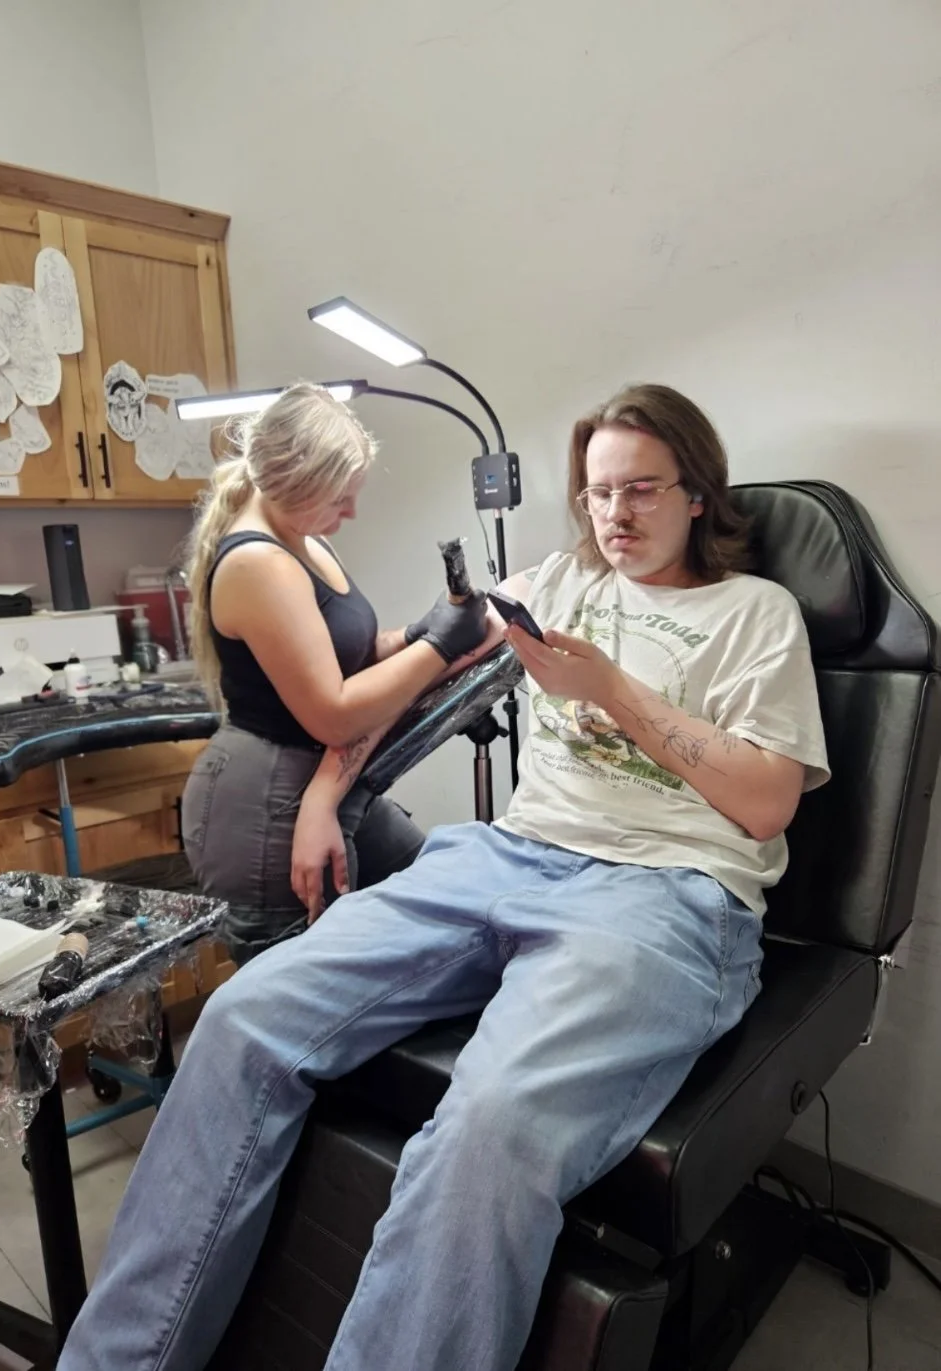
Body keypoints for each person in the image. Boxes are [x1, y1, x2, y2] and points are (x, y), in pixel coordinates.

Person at [59, 384, 829, 1371]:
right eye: (597, 493)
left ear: (696, 494)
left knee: (489, 1129)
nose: (615, 514)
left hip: (663, 892)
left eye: (641, 489)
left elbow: (766, 802)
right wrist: (326, 794)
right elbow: (427, 677)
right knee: (242, 1017)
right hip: (506, 857)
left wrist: (612, 689)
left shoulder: (755, 613)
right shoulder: (559, 583)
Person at [181, 383, 494, 962]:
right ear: (294, 482)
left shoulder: (305, 539)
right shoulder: (258, 563)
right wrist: (440, 648)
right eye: (338, 498)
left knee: (444, 911)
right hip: (266, 804)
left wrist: (417, 633)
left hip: (335, 782)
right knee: (304, 990)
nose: (350, 512)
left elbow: (349, 653)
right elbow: (334, 714)